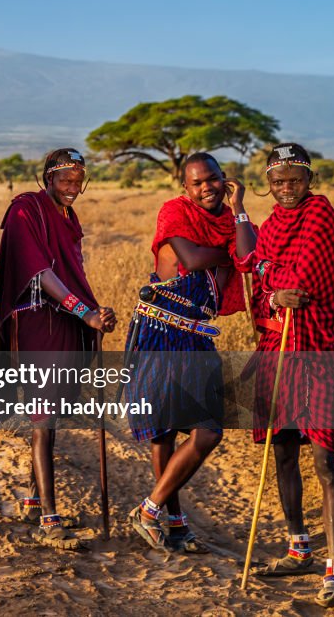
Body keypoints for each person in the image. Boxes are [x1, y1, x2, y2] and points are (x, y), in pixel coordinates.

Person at [235, 143, 334, 608]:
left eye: (295, 181)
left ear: (310, 180)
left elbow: (303, 282)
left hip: (316, 351)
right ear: (269, 183)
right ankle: (298, 544)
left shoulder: (320, 214)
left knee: (324, 458)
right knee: (283, 450)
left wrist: (272, 279)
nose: (287, 189)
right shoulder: (272, 225)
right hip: (276, 347)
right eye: (279, 182)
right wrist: (270, 283)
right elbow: (257, 275)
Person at [124, 152, 252, 554]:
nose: (206, 187)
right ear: (185, 188)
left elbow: (248, 257)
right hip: (160, 330)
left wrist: (241, 210)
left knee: (207, 432)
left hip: (197, 336)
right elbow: (193, 259)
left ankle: (149, 510)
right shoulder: (173, 212)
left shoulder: (231, 222)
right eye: (197, 183)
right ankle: (174, 523)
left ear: (224, 179)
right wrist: (228, 251)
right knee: (163, 433)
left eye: (213, 179)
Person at [0, 147, 117, 550]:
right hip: (36, 324)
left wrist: (92, 312)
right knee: (42, 420)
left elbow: (72, 271)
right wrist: (84, 312)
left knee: (54, 415)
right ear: (46, 178)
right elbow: (40, 271)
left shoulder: (68, 215)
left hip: (62, 322)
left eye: (79, 182)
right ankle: (49, 518)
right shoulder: (24, 210)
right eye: (65, 181)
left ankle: (32, 499)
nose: (73, 189)